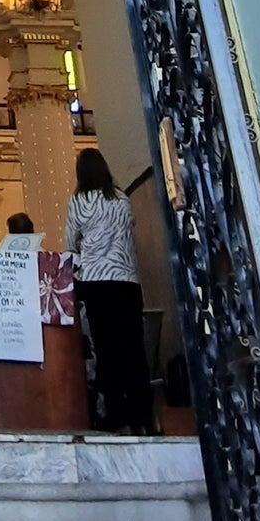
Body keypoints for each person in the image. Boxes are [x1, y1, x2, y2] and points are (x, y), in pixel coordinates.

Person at [64, 148, 153, 434]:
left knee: (107, 350)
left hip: (97, 284)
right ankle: (142, 417)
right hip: (127, 283)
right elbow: (129, 234)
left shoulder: (80, 201)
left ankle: (116, 416)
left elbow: (70, 242)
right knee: (134, 350)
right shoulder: (123, 200)